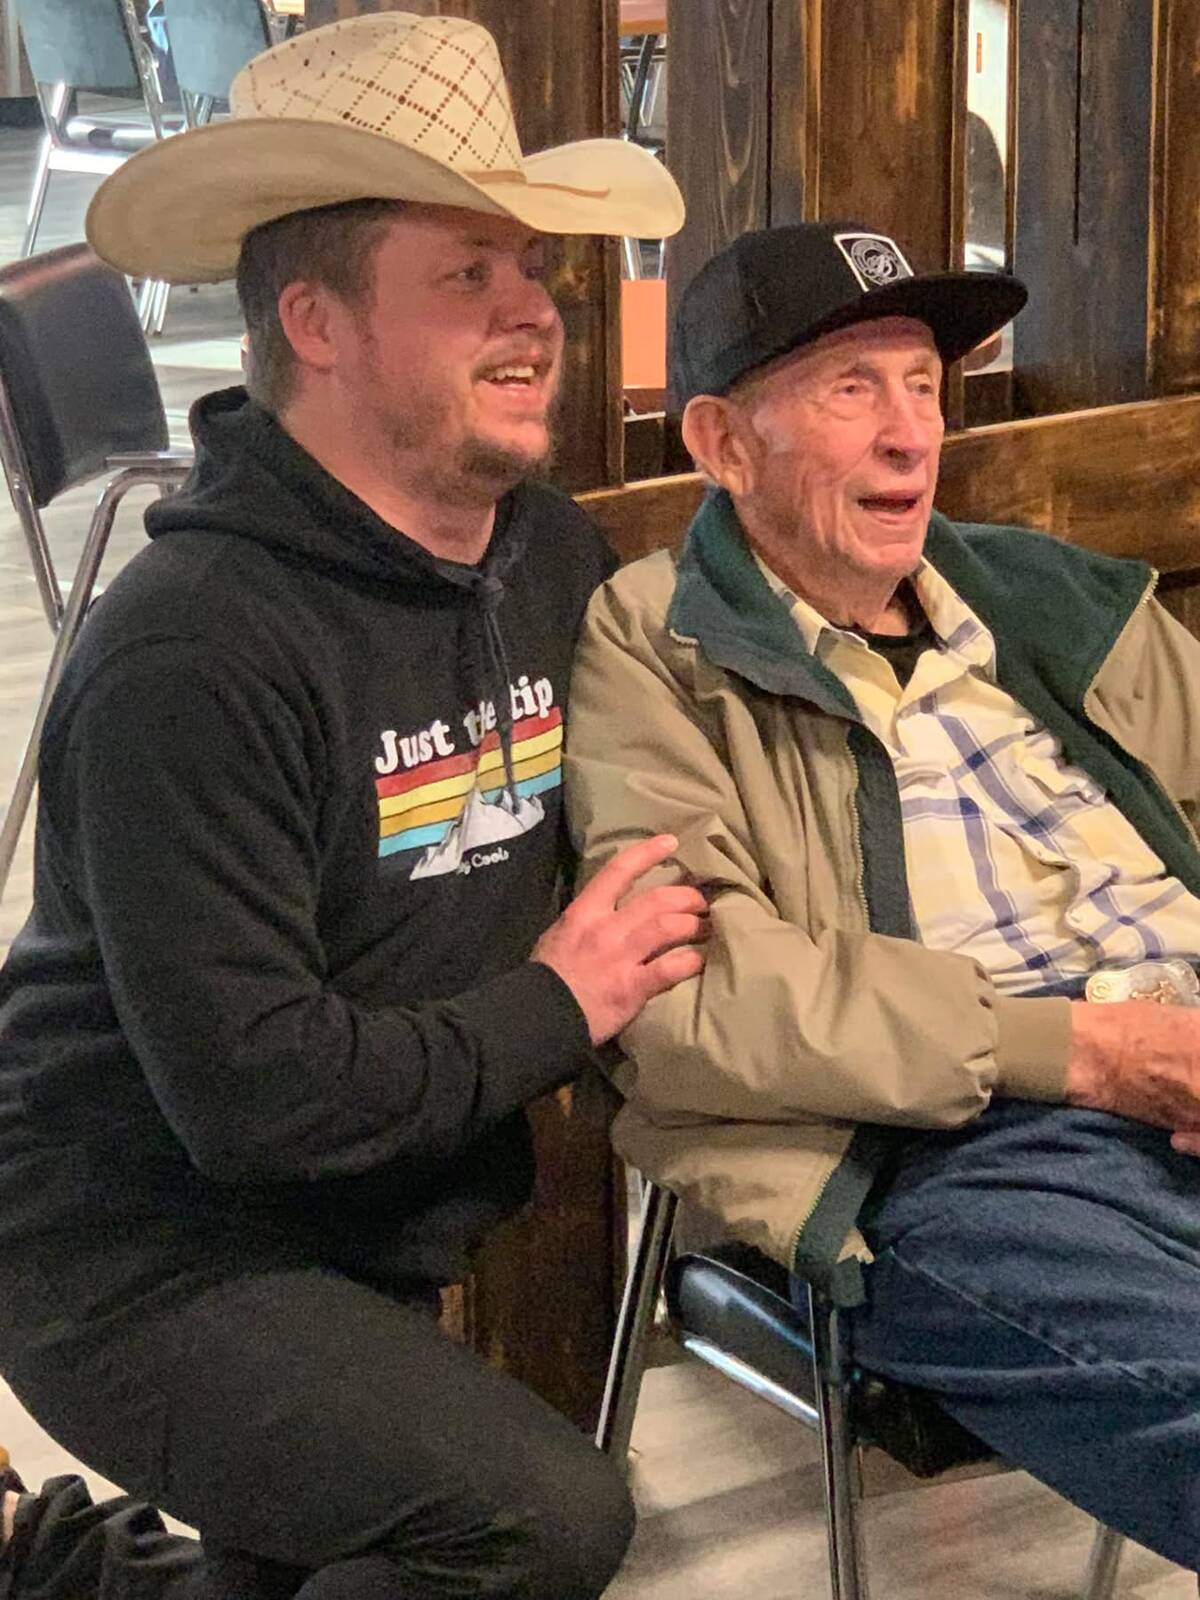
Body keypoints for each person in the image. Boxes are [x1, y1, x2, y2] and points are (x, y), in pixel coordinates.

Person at [0, 14, 702, 1600]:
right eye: (468, 272)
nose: (537, 307)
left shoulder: (547, 557)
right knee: (536, 1520)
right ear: (316, 321)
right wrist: (562, 998)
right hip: (138, 1248)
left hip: (372, 1222)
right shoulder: (188, 655)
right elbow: (256, 1101)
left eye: (533, 266)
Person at [565, 219, 1200, 1575]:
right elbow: (691, 995)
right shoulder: (659, 642)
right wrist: (1085, 1051)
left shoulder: (1050, 600)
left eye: (924, 384)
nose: (913, 435)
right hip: (974, 1135)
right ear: (725, 444)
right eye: (853, 388)